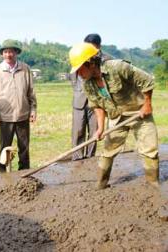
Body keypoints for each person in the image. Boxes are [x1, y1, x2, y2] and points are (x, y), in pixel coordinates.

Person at [68, 42, 159, 190]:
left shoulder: (117, 67)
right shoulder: (87, 84)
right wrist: (100, 128)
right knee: (108, 152)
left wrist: (147, 104)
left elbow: (147, 80)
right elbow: (97, 105)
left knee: (149, 150)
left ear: (90, 63)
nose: (78, 74)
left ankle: (153, 185)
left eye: (80, 69)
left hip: (139, 113)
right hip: (117, 117)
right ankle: (101, 184)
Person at [0, 39, 37, 172]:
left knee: (24, 147)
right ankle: (3, 173)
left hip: (23, 115)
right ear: (2, 54)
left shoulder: (25, 69)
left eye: (11, 51)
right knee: (4, 148)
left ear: (16, 53)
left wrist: (33, 110)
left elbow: (31, 91)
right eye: (5, 52)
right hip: (5, 117)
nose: (8, 54)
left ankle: (24, 173)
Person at [70, 33, 107, 160]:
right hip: (80, 100)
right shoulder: (80, 56)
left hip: (97, 102)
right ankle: (77, 158)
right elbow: (74, 76)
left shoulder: (105, 60)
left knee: (94, 131)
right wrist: (79, 90)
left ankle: (90, 158)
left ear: (99, 46)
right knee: (78, 131)